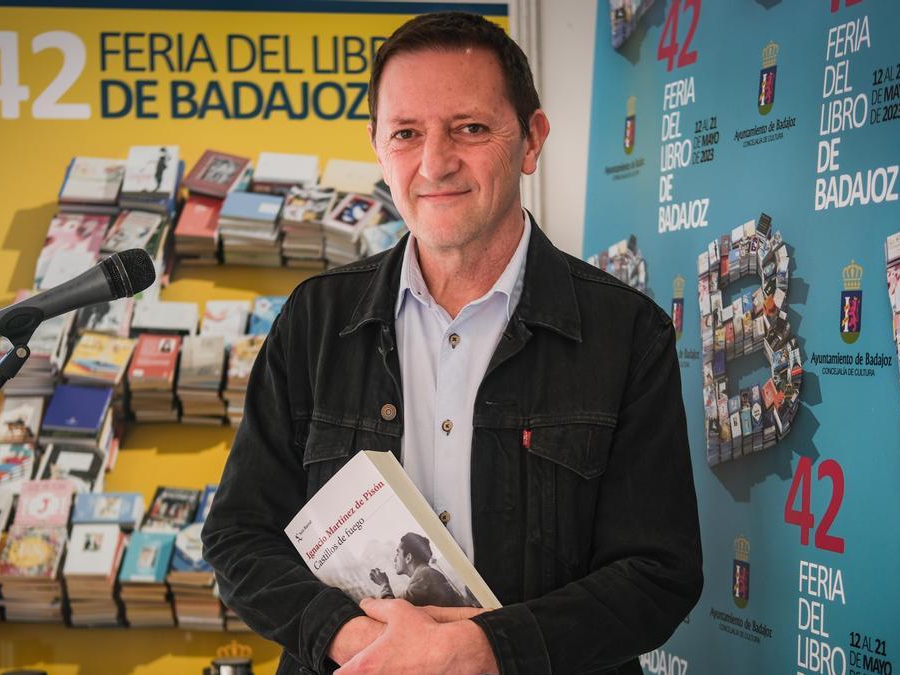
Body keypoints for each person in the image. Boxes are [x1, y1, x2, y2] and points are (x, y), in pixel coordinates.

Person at [202, 11, 702, 674]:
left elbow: (658, 573)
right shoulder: (314, 321)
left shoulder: (626, 333)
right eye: (406, 133)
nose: (434, 162)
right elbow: (239, 536)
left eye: (469, 128)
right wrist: (355, 639)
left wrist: (485, 649)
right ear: (379, 147)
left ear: (530, 140)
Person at [369, 532, 470, 608]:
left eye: (397, 553)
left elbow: (396, 611)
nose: (394, 559)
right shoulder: (426, 575)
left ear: (408, 557)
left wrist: (384, 584)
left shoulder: (424, 576)